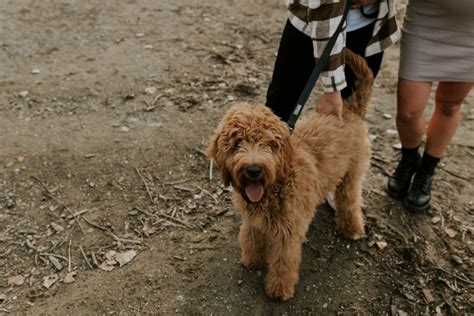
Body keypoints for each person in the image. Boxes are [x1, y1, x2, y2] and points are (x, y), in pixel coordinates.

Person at [386, 0, 473, 212]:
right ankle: (409, 158)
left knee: (449, 105)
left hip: (471, 34)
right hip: (426, 20)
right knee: (408, 111)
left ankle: (426, 170)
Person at [266, 0, 400, 122]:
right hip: (308, 23)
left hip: (368, 26)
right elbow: (325, 13)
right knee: (277, 112)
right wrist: (332, 89)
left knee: (348, 121)